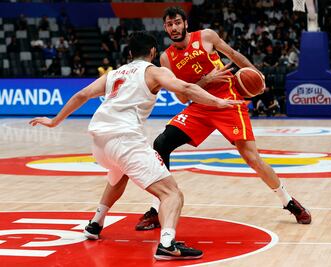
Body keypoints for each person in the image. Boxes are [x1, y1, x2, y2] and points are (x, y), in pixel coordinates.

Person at [87, 6, 311, 234]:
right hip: (200, 106)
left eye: (177, 22)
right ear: (165, 28)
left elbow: (233, 55)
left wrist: (255, 73)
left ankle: (288, 201)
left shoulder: (206, 36)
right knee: (162, 143)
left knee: (251, 157)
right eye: (169, 24)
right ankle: (157, 208)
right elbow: (183, 96)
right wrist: (205, 80)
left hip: (228, 100)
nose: (174, 28)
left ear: (185, 23)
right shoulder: (166, 58)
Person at [29, 31, 242, 260]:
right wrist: (218, 102)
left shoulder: (114, 74)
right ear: (152, 52)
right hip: (124, 141)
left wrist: (54, 121)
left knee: (119, 175)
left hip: (99, 144)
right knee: (172, 194)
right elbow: (186, 89)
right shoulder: (155, 72)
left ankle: (95, 224)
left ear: (130, 53)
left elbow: (82, 95)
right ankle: (167, 244)